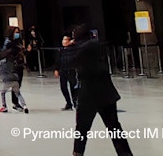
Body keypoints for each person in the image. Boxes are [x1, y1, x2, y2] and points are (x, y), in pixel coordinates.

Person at [70, 25, 133, 155]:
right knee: (114, 127)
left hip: (89, 95)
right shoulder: (96, 46)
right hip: (107, 94)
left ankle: (78, 153)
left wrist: (69, 47)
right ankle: (125, 154)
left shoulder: (83, 49)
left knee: (82, 129)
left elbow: (69, 61)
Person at [0, 43, 28, 114]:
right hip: (15, 79)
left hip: (8, 80)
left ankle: (4, 107)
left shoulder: (3, 62)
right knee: (18, 94)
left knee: (3, 93)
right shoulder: (14, 61)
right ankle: (24, 106)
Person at [56, 33, 78, 110]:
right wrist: (56, 69)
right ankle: (68, 103)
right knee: (63, 87)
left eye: (65, 40)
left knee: (73, 87)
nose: (63, 41)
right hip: (62, 71)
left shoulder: (73, 49)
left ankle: (75, 102)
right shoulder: (61, 50)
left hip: (71, 70)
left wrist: (71, 44)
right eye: (63, 39)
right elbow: (58, 60)